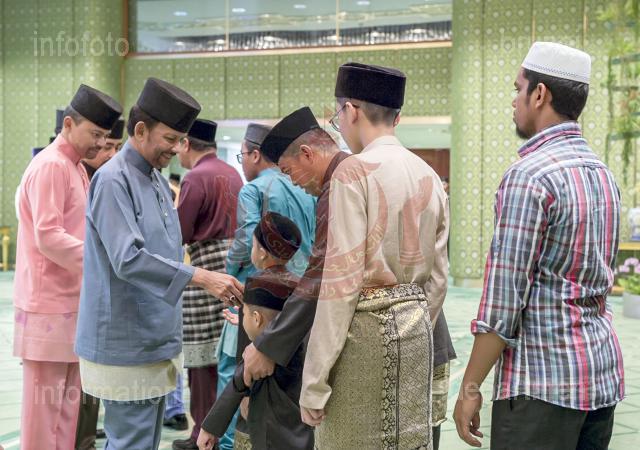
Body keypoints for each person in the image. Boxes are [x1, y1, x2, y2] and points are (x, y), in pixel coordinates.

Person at [453, 42, 625, 450]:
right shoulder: (603, 174)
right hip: (601, 378)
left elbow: (503, 303)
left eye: (518, 89)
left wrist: (470, 386)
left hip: (542, 389)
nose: (514, 100)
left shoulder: (529, 176)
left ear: (540, 94)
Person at [74, 77, 244, 450]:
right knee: (131, 441)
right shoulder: (113, 180)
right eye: (170, 138)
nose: (177, 148)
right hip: (124, 341)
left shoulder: (156, 181)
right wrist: (202, 277)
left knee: (144, 441)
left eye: (181, 140)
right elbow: (128, 259)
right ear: (140, 130)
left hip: (155, 338)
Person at [298, 62, 449, 449]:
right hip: (416, 335)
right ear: (395, 115)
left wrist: (314, 381)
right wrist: (412, 321)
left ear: (351, 110)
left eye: (338, 114)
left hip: (361, 340)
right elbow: (438, 279)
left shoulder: (353, 172)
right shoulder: (429, 175)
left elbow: (341, 284)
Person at [14, 84, 122, 450]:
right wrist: (104, 261)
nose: (100, 144)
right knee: (43, 417)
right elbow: (48, 236)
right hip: (48, 308)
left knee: (67, 413)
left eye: (105, 136)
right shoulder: (51, 166)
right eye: (95, 134)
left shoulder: (75, 168)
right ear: (69, 124)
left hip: (74, 305)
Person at [216, 122, 316, 450]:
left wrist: (230, 273)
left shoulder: (254, 190)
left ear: (256, 154)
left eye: (242, 155)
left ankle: (228, 441)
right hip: (300, 295)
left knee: (239, 367)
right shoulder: (303, 186)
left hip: (259, 296)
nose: (243, 163)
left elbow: (247, 238)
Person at [198, 212, 314, 450]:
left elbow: (245, 366)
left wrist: (211, 426)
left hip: (266, 410)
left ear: (261, 252)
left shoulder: (255, 284)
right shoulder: (299, 286)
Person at [170, 118, 244, 450]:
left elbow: (180, 232)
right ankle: (225, 431)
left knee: (201, 359)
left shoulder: (195, 177)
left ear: (187, 144)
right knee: (226, 355)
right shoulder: (232, 173)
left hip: (204, 272)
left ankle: (201, 432)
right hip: (234, 269)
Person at [74, 117, 125, 450]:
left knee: (92, 381)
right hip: (74, 292)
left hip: (99, 293)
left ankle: (87, 437)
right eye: (106, 146)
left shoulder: (106, 178)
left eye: (116, 147)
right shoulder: (71, 173)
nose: (110, 154)